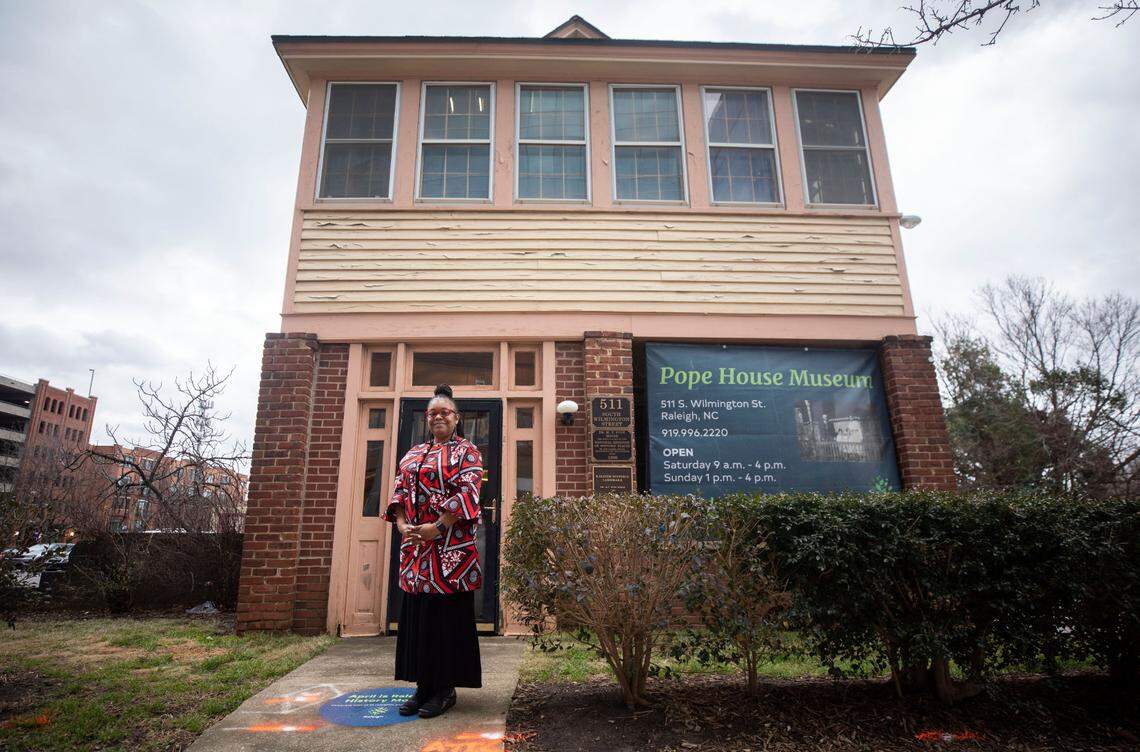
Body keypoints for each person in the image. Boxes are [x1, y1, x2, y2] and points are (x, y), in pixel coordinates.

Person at [384, 384, 484, 719]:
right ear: (426, 419)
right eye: (432, 413)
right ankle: (422, 687)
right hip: (416, 552)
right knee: (418, 619)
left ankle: (444, 689)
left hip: (449, 552)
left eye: (445, 412)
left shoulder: (467, 452)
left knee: (444, 621)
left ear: (456, 418)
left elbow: (468, 493)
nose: (438, 417)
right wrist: (402, 525)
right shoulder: (413, 453)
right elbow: (399, 490)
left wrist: (437, 527)